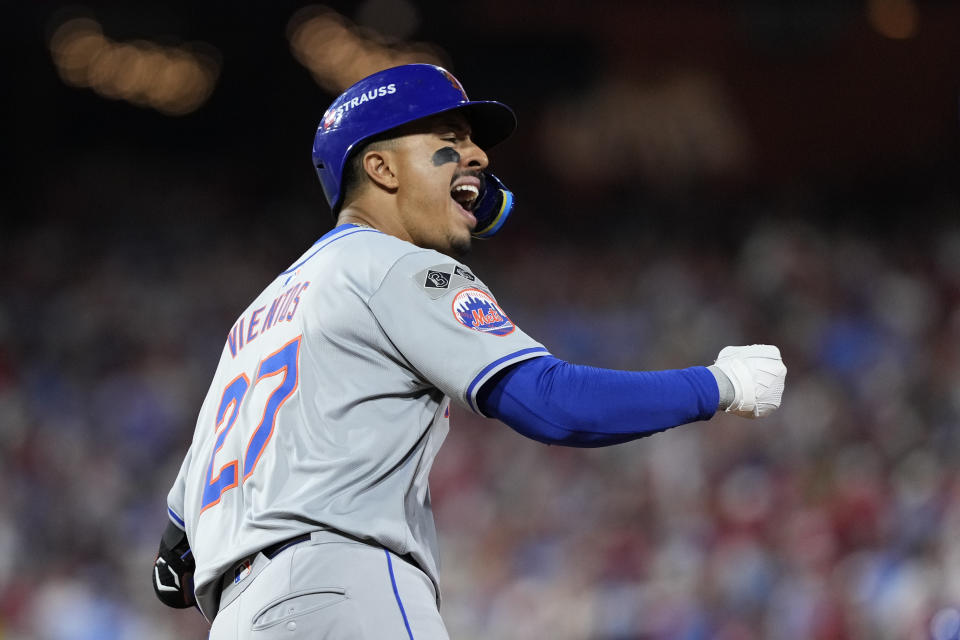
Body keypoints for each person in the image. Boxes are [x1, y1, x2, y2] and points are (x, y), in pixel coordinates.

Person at [152, 64, 787, 639]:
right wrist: (719, 384)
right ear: (382, 169)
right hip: (344, 592)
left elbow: (174, 553)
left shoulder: (257, 317)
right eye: (447, 142)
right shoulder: (392, 265)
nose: (479, 156)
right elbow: (551, 403)